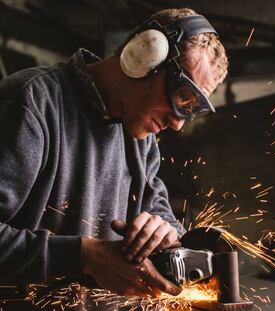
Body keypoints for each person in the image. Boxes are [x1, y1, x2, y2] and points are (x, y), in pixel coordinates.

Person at [0, 7, 228, 298]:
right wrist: (84, 256)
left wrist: (165, 234)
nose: (177, 123)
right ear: (145, 57)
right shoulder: (31, 104)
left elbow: (157, 209)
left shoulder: (139, 133)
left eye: (190, 109)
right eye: (181, 96)